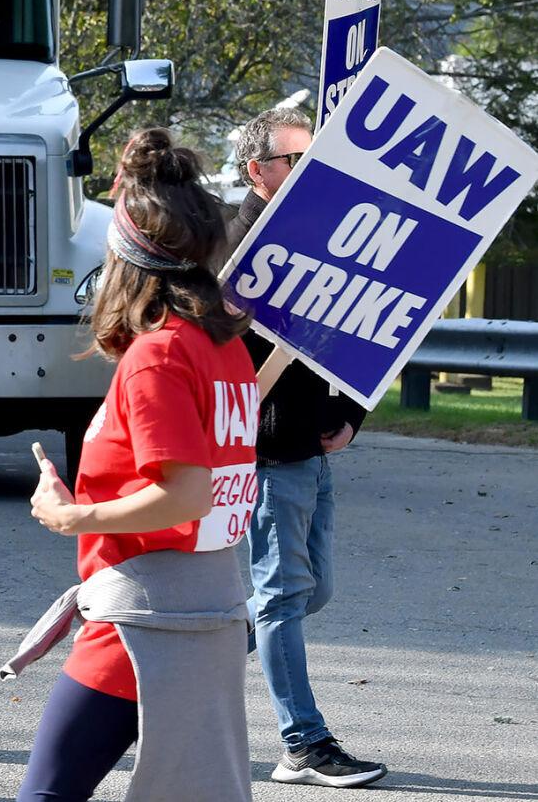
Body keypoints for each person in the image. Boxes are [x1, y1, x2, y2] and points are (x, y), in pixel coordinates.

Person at [12, 128, 257, 802]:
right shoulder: (222, 348)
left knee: (46, 794)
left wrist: (73, 515)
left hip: (146, 619)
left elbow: (187, 493)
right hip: (209, 608)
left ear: (123, 260)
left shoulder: (160, 354)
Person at [231, 107, 387, 788]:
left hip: (315, 452)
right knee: (286, 597)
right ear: (255, 170)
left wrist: (352, 411)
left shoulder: (324, 236)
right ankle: (303, 741)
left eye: (310, 158)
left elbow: (363, 327)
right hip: (267, 460)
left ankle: (219, 632)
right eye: (291, 160)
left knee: (307, 592)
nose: (303, 171)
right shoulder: (234, 247)